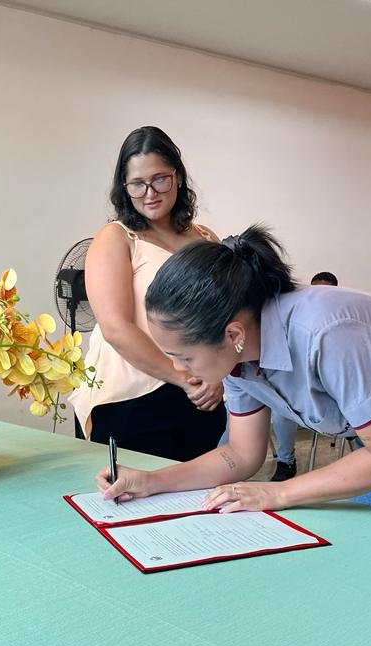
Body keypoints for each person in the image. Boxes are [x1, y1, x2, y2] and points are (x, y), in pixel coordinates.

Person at [97, 225, 371, 535]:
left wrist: (277, 493)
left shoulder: (324, 329)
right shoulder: (238, 357)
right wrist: (153, 482)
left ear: (231, 334)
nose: (180, 370)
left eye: (184, 357)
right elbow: (241, 455)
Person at [68, 127, 226, 461]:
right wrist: (183, 377)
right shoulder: (116, 237)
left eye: (159, 179)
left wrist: (217, 376)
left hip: (202, 394)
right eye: (137, 184)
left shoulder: (206, 238)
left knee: (198, 489)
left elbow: (225, 316)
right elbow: (116, 328)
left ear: (177, 177)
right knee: (132, 490)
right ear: (124, 187)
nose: (149, 193)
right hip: (131, 398)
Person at [269, 270, 339, 482]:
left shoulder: (339, 322)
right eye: (315, 290)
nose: (319, 297)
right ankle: (286, 461)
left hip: (333, 390)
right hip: (301, 387)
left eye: (325, 292)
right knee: (281, 411)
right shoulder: (295, 321)